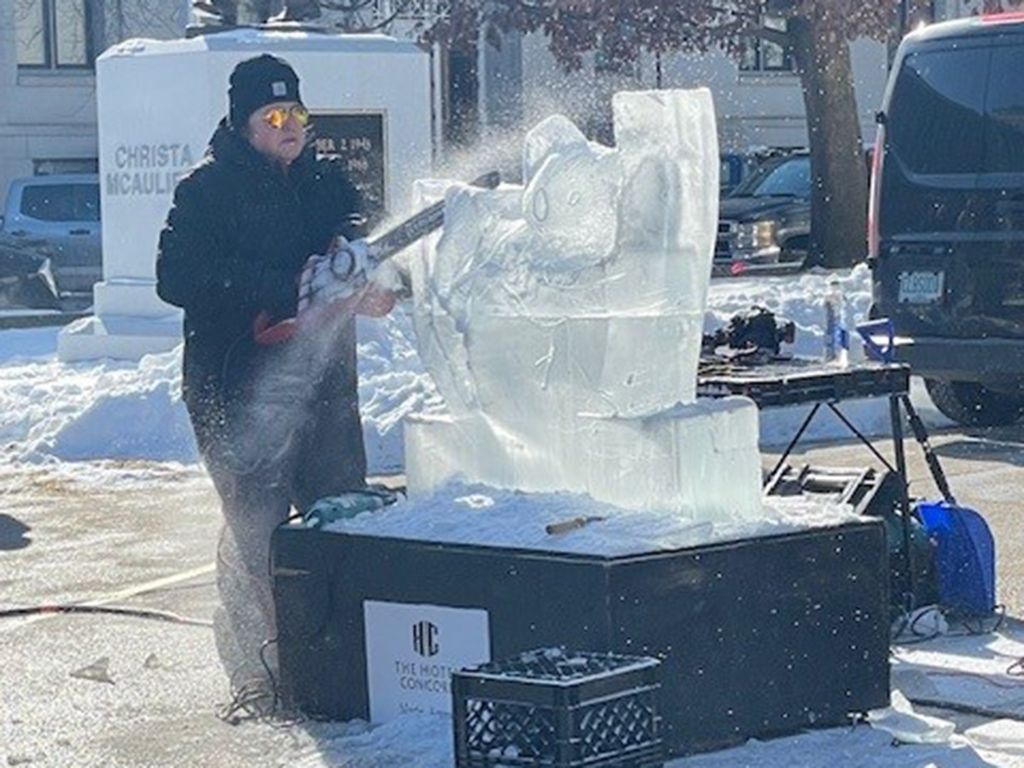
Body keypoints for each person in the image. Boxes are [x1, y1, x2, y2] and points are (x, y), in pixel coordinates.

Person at [156, 54, 394, 717]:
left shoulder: (327, 186)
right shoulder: (205, 192)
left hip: (325, 388)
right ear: (245, 123)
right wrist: (281, 289)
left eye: (297, 115)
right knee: (256, 534)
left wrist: (371, 286)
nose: (290, 126)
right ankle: (255, 674)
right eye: (274, 116)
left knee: (339, 519)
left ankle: (336, 670)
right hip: (236, 386)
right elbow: (176, 276)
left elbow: (362, 246)